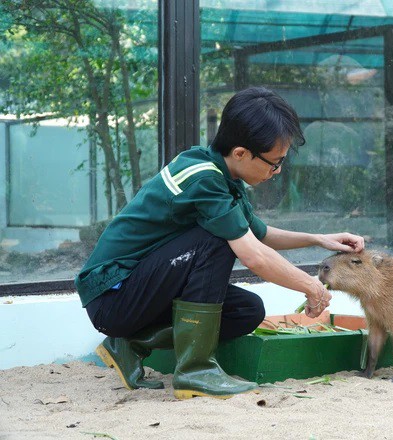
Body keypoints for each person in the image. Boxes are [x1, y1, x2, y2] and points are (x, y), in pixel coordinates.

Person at [75, 87, 365, 400]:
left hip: (139, 293)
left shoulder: (222, 177)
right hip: (113, 296)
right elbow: (253, 255)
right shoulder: (204, 178)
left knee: (246, 311)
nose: (277, 171)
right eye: (273, 162)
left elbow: (260, 234)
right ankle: (195, 371)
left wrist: (319, 239)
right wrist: (313, 287)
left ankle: (131, 343)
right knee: (216, 239)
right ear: (241, 153)